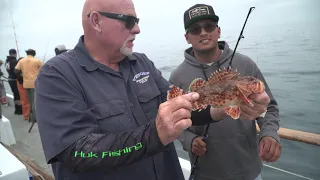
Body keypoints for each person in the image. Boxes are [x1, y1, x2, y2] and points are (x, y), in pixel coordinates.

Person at [35, 0, 270, 179]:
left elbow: (185, 104)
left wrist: (226, 106)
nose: (137, 29)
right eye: (128, 21)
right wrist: (155, 135)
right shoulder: (56, 75)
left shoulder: (142, 63)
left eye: (137, 22)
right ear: (96, 21)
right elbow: (77, 152)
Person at [169, 4, 282, 180]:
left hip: (248, 170)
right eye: (195, 29)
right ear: (187, 37)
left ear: (218, 31)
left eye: (209, 27)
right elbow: (173, 121)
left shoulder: (246, 65)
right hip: (206, 173)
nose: (204, 32)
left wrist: (269, 133)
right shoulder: (178, 77)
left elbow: (270, 108)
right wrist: (189, 140)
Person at [15, 49, 43, 123]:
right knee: (35, 101)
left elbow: (16, 71)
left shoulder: (21, 61)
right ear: (34, 53)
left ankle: (30, 117)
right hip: (35, 84)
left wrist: (22, 77)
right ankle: (35, 118)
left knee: (30, 101)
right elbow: (44, 70)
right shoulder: (37, 61)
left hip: (26, 84)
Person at [5, 49, 22, 115]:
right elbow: (16, 72)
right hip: (14, 80)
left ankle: (16, 109)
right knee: (18, 95)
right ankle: (19, 110)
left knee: (15, 94)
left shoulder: (7, 61)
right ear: (15, 53)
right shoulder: (14, 61)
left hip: (10, 79)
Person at [16, 57, 31, 121]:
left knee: (26, 101)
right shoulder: (19, 71)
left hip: (22, 85)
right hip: (23, 86)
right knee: (25, 101)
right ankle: (27, 116)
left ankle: (28, 115)